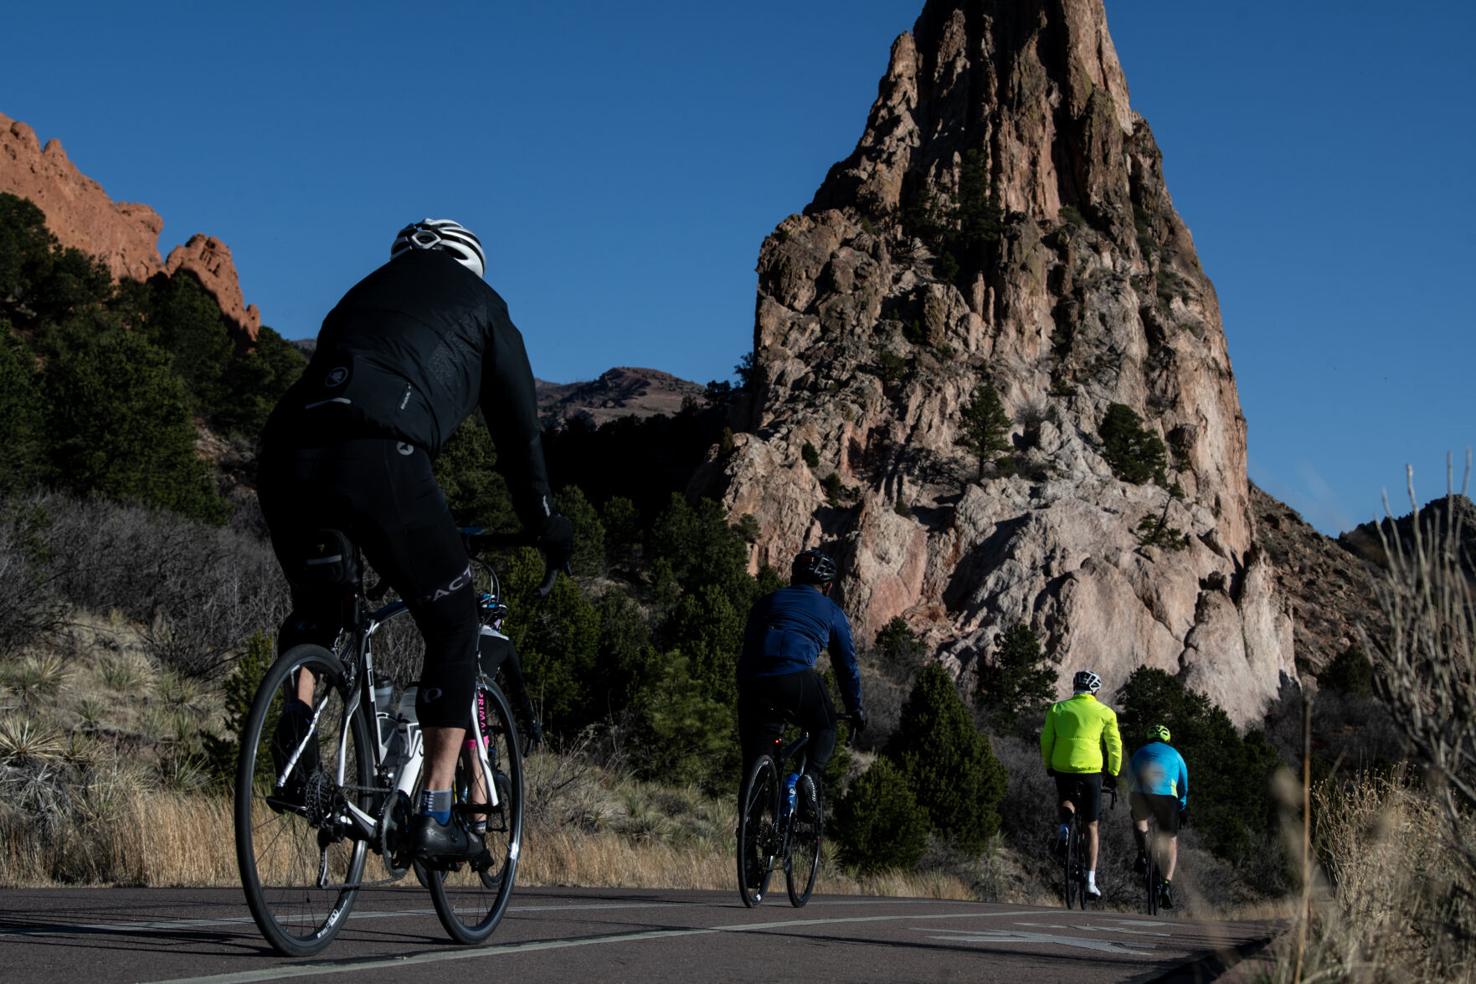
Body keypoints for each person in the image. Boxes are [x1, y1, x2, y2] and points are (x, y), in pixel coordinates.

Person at [257, 218, 572, 864]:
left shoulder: (360, 293)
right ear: (471, 263)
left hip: (287, 453)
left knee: (324, 609)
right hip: (382, 453)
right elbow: (520, 433)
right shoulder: (485, 307)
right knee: (456, 622)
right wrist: (544, 520)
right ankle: (435, 811)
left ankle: (295, 749)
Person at [736, 548, 866, 818]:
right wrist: (855, 708)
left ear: (794, 577)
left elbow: (747, 647)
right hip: (796, 678)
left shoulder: (766, 601)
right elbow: (846, 667)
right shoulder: (832, 611)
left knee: (753, 766)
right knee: (825, 725)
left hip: (754, 683)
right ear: (828, 586)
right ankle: (810, 776)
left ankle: (748, 846)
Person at [1040, 669, 1122, 900]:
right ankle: (1090, 881)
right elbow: (1114, 745)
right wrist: (1113, 772)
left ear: (1075, 686)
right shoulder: (1105, 712)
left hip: (1063, 766)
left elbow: (1046, 739)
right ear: (1094, 690)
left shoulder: (1057, 708)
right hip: (1091, 770)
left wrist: (1049, 764)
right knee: (1091, 825)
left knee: (1067, 799)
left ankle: (1064, 827)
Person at [1129, 723, 1189, 909]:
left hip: (1141, 793)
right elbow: (1183, 784)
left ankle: (1142, 853)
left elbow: (1130, 776)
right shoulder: (1175, 755)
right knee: (1171, 840)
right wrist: (1182, 806)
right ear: (1168, 740)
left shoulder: (1140, 751)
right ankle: (1166, 885)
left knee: (1139, 819)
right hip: (1167, 797)